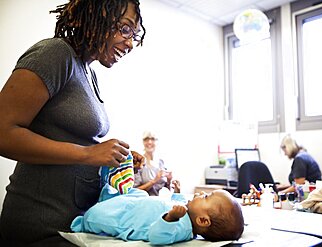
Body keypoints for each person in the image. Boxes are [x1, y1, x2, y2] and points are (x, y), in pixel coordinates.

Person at [0, 0, 146, 246]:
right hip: (40, 227)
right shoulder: (55, 54)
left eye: (135, 34)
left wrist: (116, 157)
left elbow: (73, 140)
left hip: (73, 227)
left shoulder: (88, 72)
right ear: (97, 16)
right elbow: (3, 133)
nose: (130, 43)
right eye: (126, 29)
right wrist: (89, 154)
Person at [71, 189, 244, 245]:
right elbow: (176, 202)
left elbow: (157, 237)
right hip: (138, 204)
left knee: (98, 214)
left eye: (206, 197)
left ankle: (84, 222)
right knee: (139, 193)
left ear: (203, 221)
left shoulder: (182, 229)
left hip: (126, 218)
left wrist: (170, 218)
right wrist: (176, 194)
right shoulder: (187, 213)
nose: (200, 193)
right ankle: (111, 197)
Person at [134, 131, 180, 195]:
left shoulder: (161, 162)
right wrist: (155, 180)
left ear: (157, 142)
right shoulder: (139, 162)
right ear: (143, 142)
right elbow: (134, 191)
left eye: (152, 139)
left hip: (161, 201)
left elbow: (166, 190)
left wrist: (169, 181)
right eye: (146, 139)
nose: (149, 142)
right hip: (144, 201)